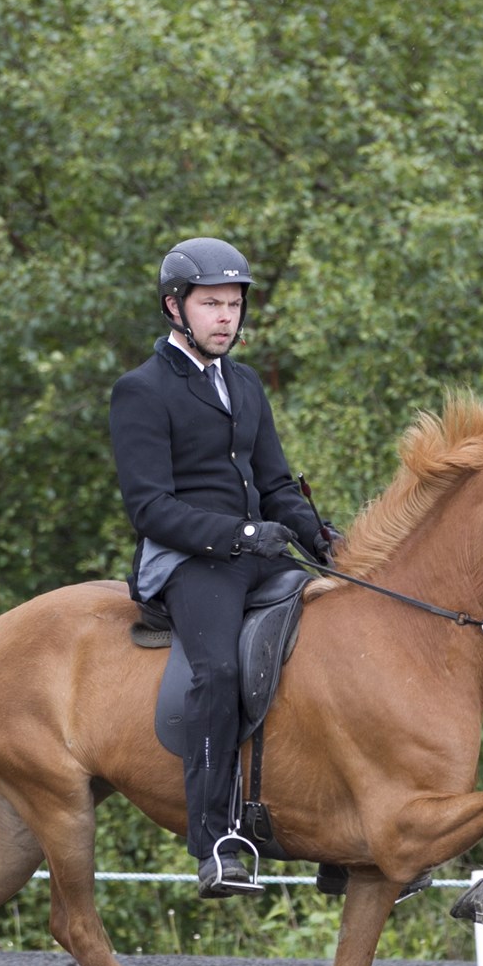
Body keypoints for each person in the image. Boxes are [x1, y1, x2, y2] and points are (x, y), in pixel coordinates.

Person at [110, 237, 336, 898]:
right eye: (211, 304)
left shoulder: (242, 382)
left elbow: (275, 483)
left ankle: (339, 836)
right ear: (174, 307)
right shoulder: (142, 391)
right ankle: (216, 843)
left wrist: (322, 539)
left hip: (256, 554)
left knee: (337, 636)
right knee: (219, 670)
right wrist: (240, 533)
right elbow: (150, 507)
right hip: (188, 561)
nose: (225, 318)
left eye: (233, 305)